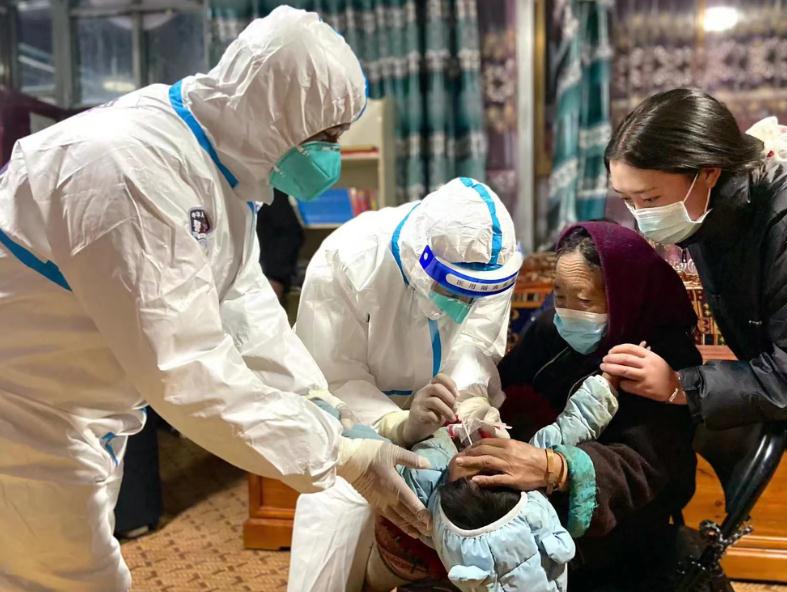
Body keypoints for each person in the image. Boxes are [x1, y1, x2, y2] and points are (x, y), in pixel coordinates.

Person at [0, 8, 430, 591]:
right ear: (275, 110)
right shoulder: (127, 167)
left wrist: (327, 409)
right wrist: (336, 453)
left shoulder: (222, 170)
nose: (330, 157)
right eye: (326, 138)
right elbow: (186, 368)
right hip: (24, 414)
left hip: (79, 409)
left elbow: (244, 307)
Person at [599, 88, 787, 588]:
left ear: (707, 171)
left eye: (650, 199)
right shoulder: (716, 216)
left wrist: (683, 386)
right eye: (628, 200)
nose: (641, 214)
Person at [288, 177, 524, 592]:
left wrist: (469, 400)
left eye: (477, 292)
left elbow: (476, 340)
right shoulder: (350, 259)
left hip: (445, 430)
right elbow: (331, 375)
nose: (465, 303)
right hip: (354, 434)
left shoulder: (492, 263)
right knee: (331, 556)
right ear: (422, 260)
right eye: (455, 288)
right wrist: (397, 425)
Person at [456, 221, 717, 591]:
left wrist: (556, 468)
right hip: (533, 489)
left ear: (625, 296)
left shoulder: (659, 357)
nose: (568, 312)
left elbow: (642, 467)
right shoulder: (552, 331)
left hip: (621, 521)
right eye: (560, 296)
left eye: (584, 302)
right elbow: (504, 390)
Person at [365, 370, 619, 591]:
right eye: (490, 470)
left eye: (464, 476)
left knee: (376, 575)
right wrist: (607, 384)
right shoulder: (530, 470)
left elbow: (363, 448)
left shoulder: (420, 483)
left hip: (403, 551)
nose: (469, 459)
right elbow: (573, 426)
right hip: (408, 552)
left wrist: (401, 430)